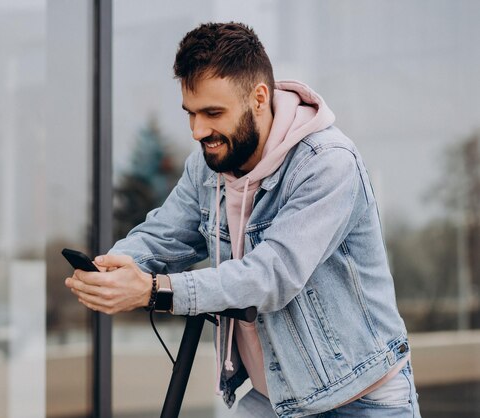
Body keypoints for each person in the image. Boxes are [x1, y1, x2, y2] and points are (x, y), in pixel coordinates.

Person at [65, 22, 421, 418]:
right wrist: (114, 266)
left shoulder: (326, 164)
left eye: (213, 113)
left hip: (358, 398)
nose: (199, 131)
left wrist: (154, 291)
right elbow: (163, 234)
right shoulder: (209, 168)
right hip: (275, 397)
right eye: (191, 114)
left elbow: (272, 275)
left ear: (259, 97)